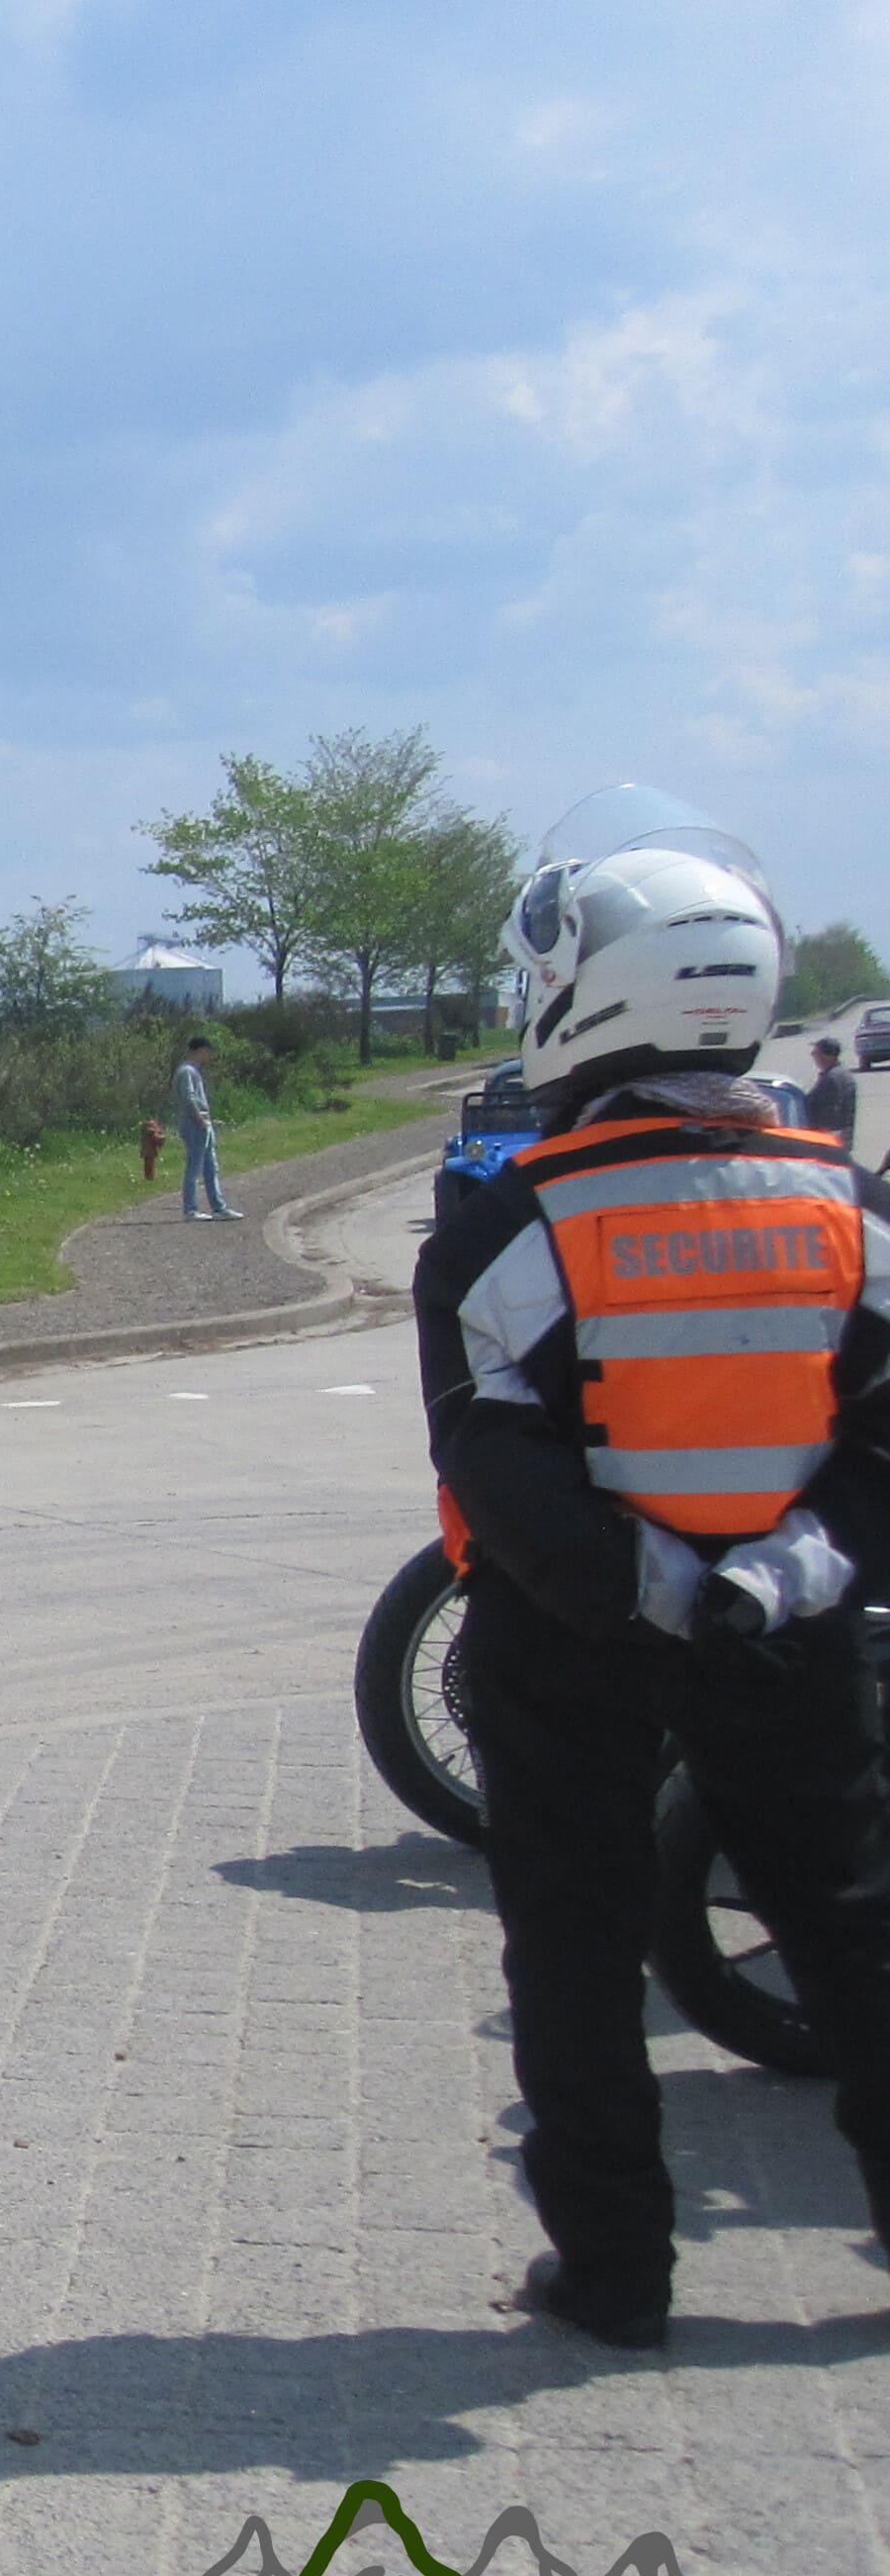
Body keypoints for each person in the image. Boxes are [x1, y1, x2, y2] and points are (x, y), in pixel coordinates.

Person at [413, 786, 890, 2349]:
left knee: (576, 1952)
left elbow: (493, 1463)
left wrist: (646, 1583)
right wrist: (781, 1571)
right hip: (793, 1625)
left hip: (578, 1640)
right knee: (851, 1929)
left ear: (583, 998)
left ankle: (615, 2276)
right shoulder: (849, 1204)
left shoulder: (514, 1223)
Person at [175, 1033, 236, 1220]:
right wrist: (200, 1119)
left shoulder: (194, 1071)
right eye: (207, 1052)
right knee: (194, 1168)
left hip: (203, 1123)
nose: (208, 1056)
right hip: (194, 1125)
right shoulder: (187, 1071)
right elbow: (189, 1098)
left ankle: (218, 1208)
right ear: (200, 1051)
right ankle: (190, 1210)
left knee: (211, 1167)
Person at [809, 1034, 861, 1159]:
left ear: (827, 1056)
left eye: (815, 1052)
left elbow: (829, 1113)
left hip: (831, 1140)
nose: (813, 1055)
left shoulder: (833, 1078)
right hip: (837, 1139)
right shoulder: (837, 1074)